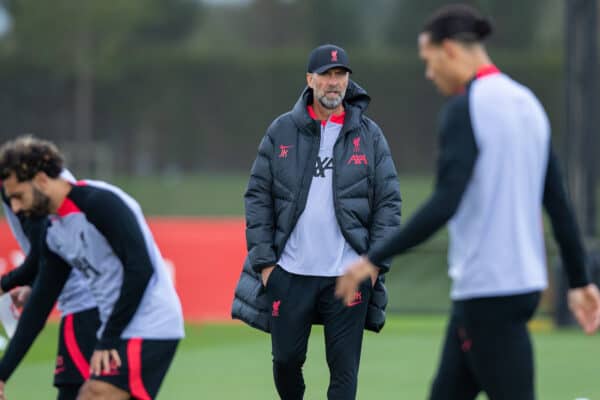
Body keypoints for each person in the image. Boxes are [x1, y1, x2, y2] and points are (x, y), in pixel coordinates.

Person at [336, 4, 600, 400]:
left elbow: (446, 201)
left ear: (450, 51)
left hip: (489, 291)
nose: (429, 73)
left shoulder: (465, 109)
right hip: (509, 287)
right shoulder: (527, 104)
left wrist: (374, 257)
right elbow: (558, 203)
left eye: (429, 61)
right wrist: (579, 280)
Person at [232, 44, 401, 399]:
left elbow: (388, 204)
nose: (333, 83)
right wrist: (266, 267)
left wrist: (374, 265)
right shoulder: (281, 131)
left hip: (349, 275)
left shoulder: (369, 136)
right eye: (325, 75)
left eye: (340, 75)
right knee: (286, 361)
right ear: (310, 80)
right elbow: (257, 197)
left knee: (344, 372)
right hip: (290, 274)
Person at [0, 135, 185, 400]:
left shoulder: (99, 203)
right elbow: (41, 302)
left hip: (149, 324)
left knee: (94, 394)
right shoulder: (54, 230)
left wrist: (109, 338)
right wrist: (2, 374)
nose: (15, 208)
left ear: (41, 180)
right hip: (119, 329)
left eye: (18, 196)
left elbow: (141, 269)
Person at [0, 169, 100, 400]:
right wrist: (34, 286)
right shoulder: (39, 182)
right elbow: (49, 261)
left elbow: (40, 259)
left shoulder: (24, 189)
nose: (15, 208)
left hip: (86, 306)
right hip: (95, 304)